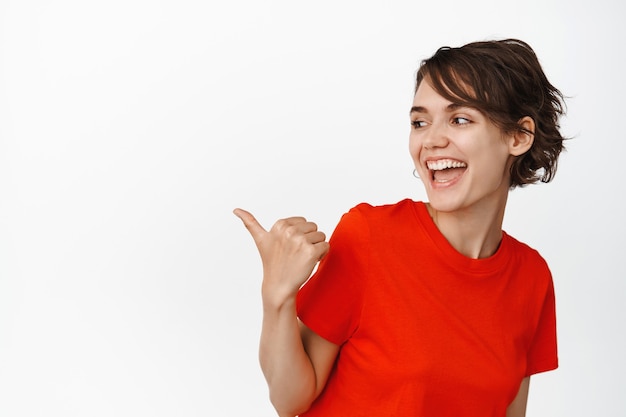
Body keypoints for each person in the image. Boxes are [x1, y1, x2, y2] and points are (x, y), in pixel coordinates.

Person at [234, 38, 565, 417]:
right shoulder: (369, 237)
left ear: (518, 136)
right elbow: (290, 399)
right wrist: (276, 296)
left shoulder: (532, 279)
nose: (431, 140)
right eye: (420, 122)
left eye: (460, 119)